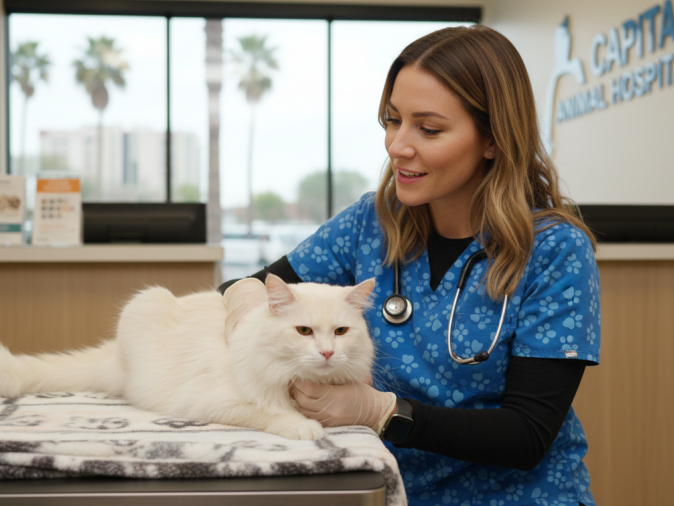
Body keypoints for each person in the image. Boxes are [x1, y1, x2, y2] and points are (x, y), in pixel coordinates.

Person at [220, 25, 600, 506]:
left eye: (429, 128)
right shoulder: (372, 222)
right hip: (389, 492)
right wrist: (244, 299)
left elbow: (526, 435)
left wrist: (383, 412)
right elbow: (255, 286)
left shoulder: (554, 251)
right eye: (392, 120)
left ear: (493, 140)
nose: (397, 146)